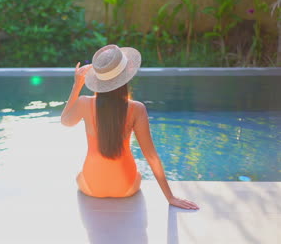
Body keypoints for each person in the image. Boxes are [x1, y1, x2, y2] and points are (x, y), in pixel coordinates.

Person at [61, 45, 199, 210]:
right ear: (125, 77)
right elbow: (151, 155)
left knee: (78, 175)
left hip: (92, 187)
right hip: (126, 188)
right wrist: (170, 197)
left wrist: (77, 85)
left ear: (97, 79)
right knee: (138, 175)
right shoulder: (136, 109)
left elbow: (65, 121)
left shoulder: (84, 103)